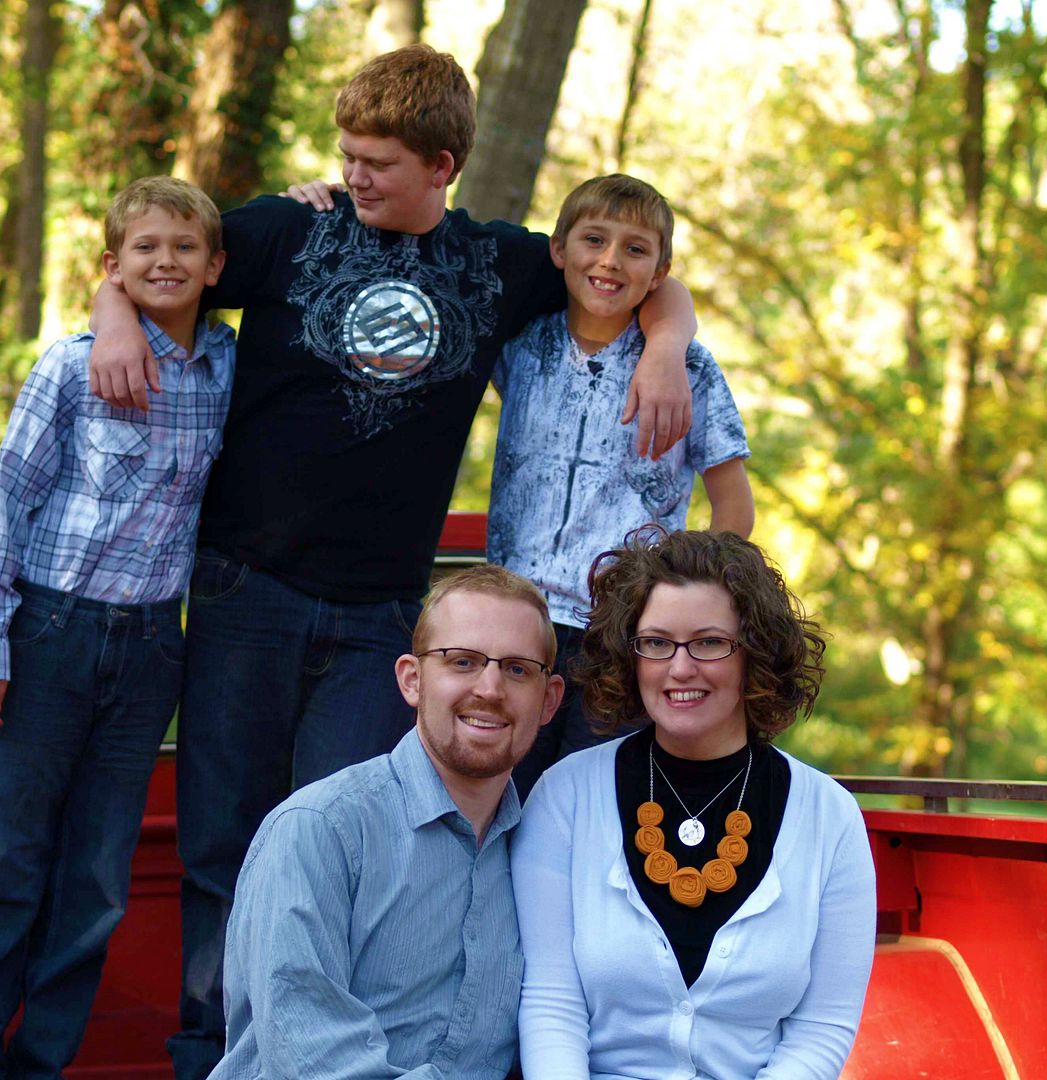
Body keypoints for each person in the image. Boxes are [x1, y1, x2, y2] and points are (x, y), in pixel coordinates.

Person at [87, 45, 697, 1076]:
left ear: (442, 165)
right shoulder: (290, 230)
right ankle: (214, 1057)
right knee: (221, 847)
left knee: (357, 851)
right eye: (348, 155)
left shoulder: (499, 265)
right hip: (246, 591)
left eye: (378, 162)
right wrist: (112, 312)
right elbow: (152, 254)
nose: (354, 175)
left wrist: (669, 347)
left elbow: (639, 272)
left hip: (379, 621)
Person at [0, 176, 233, 1078]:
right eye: (144, 248)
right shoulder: (70, 367)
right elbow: (3, 507)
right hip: (50, 633)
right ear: (113, 265)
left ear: (215, 266)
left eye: (184, 247)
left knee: (99, 881)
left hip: (150, 647)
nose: (165, 262)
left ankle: (43, 1064)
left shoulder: (230, 369)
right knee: (6, 863)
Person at [511, 529, 876, 1079]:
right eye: (657, 642)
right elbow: (550, 1003)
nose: (680, 668)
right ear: (631, 656)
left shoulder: (831, 817)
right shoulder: (566, 797)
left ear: (755, 653)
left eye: (708, 642)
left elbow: (822, 1028)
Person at [211, 565, 565, 1080]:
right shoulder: (320, 830)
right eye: (462, 661)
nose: (490, 688)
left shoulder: (542, 854)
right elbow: (316, 1063)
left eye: (517, 669)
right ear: (412, 680)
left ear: (549, 700)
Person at [485, 174, 755, 799]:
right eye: (594, 240)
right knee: (503, 793)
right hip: (519, 624)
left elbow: (734, 508)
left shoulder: (689, 369)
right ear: (559, 250)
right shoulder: (520, 345)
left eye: (635, 249)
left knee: (593, 800)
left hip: (620, 631)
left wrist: (682, 607)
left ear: (660, 272)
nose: (610, 261)